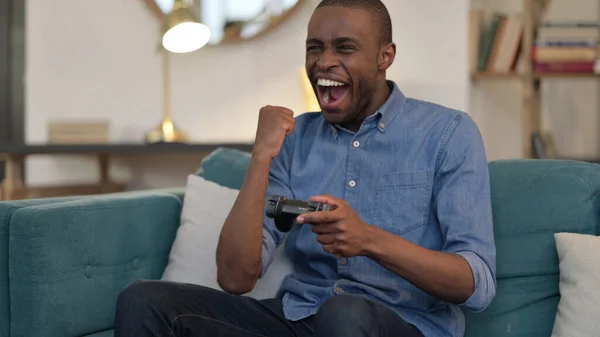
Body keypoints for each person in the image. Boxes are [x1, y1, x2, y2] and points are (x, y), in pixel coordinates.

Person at [113, 0, 497, 336]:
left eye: (344, 48)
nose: (324, 61)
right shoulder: (294, 140)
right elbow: (235, 278)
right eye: (315, 48)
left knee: (344, 314)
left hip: (404, 324)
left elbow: (476, 283)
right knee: (144, 300)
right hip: (300, 318)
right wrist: (261, 155)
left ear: (385, 56)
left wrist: (368, 240)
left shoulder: (448, 133)